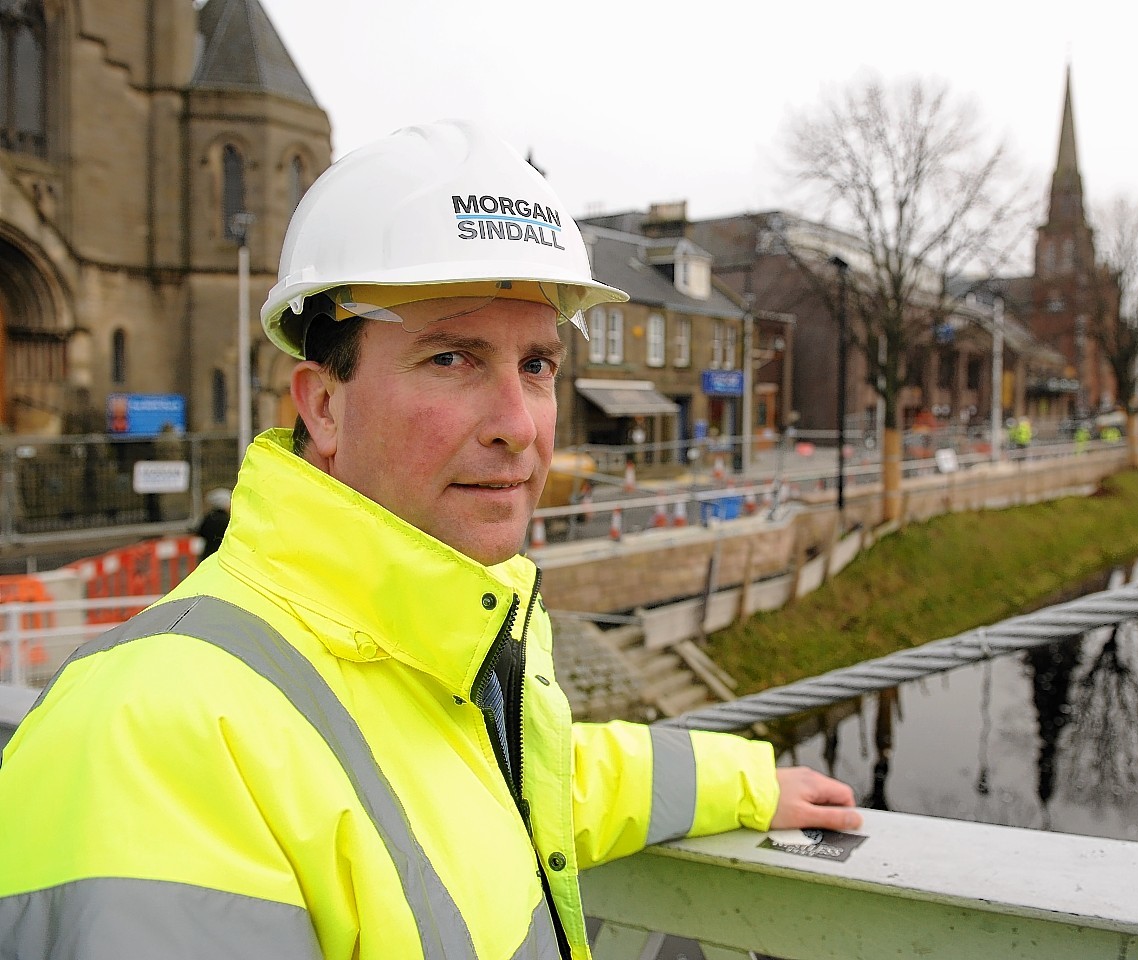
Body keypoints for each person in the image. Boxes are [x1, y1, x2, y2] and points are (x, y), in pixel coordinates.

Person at [0, 119, 859, 958]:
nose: (519, 427)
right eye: (451, 359)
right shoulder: (152, 736)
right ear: (323, 404)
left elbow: (523, 782)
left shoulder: (431, 661)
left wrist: (742, 782)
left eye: (536, 365)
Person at [194, 486, 233, 556]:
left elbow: (200, 532)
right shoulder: (226, 520)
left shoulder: (209, 518)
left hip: (208, 555)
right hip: (223, 555)